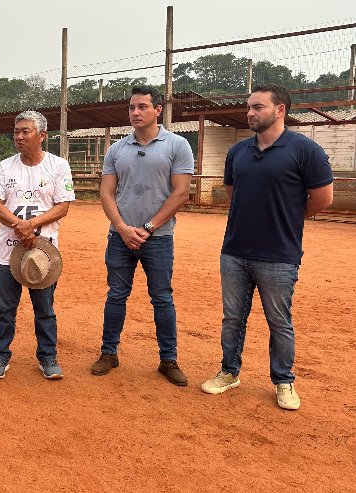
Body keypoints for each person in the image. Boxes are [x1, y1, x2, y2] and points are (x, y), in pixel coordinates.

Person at [201, 84, 333, 410]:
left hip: (279, 254)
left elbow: (323, 198)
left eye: (258, 107)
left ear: (279, 110)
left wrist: (287, 216)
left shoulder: (305, 150)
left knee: (278, 321)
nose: (250, 113)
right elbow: (232, 192)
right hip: (234, 250)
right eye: (249, 107)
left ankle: (284, 381)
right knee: (232, 318)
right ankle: (229, 372)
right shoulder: (238, 152)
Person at [91, 85, 194, 386]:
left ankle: (168, 359)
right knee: (116, 295)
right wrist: (123, 228)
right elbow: (106, 193)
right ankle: (109, 353)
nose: (135, 112)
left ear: (158, 110)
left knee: (162, 298)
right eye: (132, 108)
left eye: (143, 107)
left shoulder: (177, 145)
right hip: (119, 237)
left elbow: (181, 193)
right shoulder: (117, 149)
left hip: (158, 238)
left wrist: (148, 228)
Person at [0, 110, 75, 380]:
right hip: (8, 251)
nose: (19, 137)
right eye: (16, 132)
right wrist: (20, 225)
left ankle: (47, 357)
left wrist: (32, 225)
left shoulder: (58, 166)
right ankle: (0, 355)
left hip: (43, 253)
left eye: (26, 131)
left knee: (45, 309)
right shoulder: (4, 167)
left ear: (42, 136)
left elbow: (63, 206)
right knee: (4, 308)